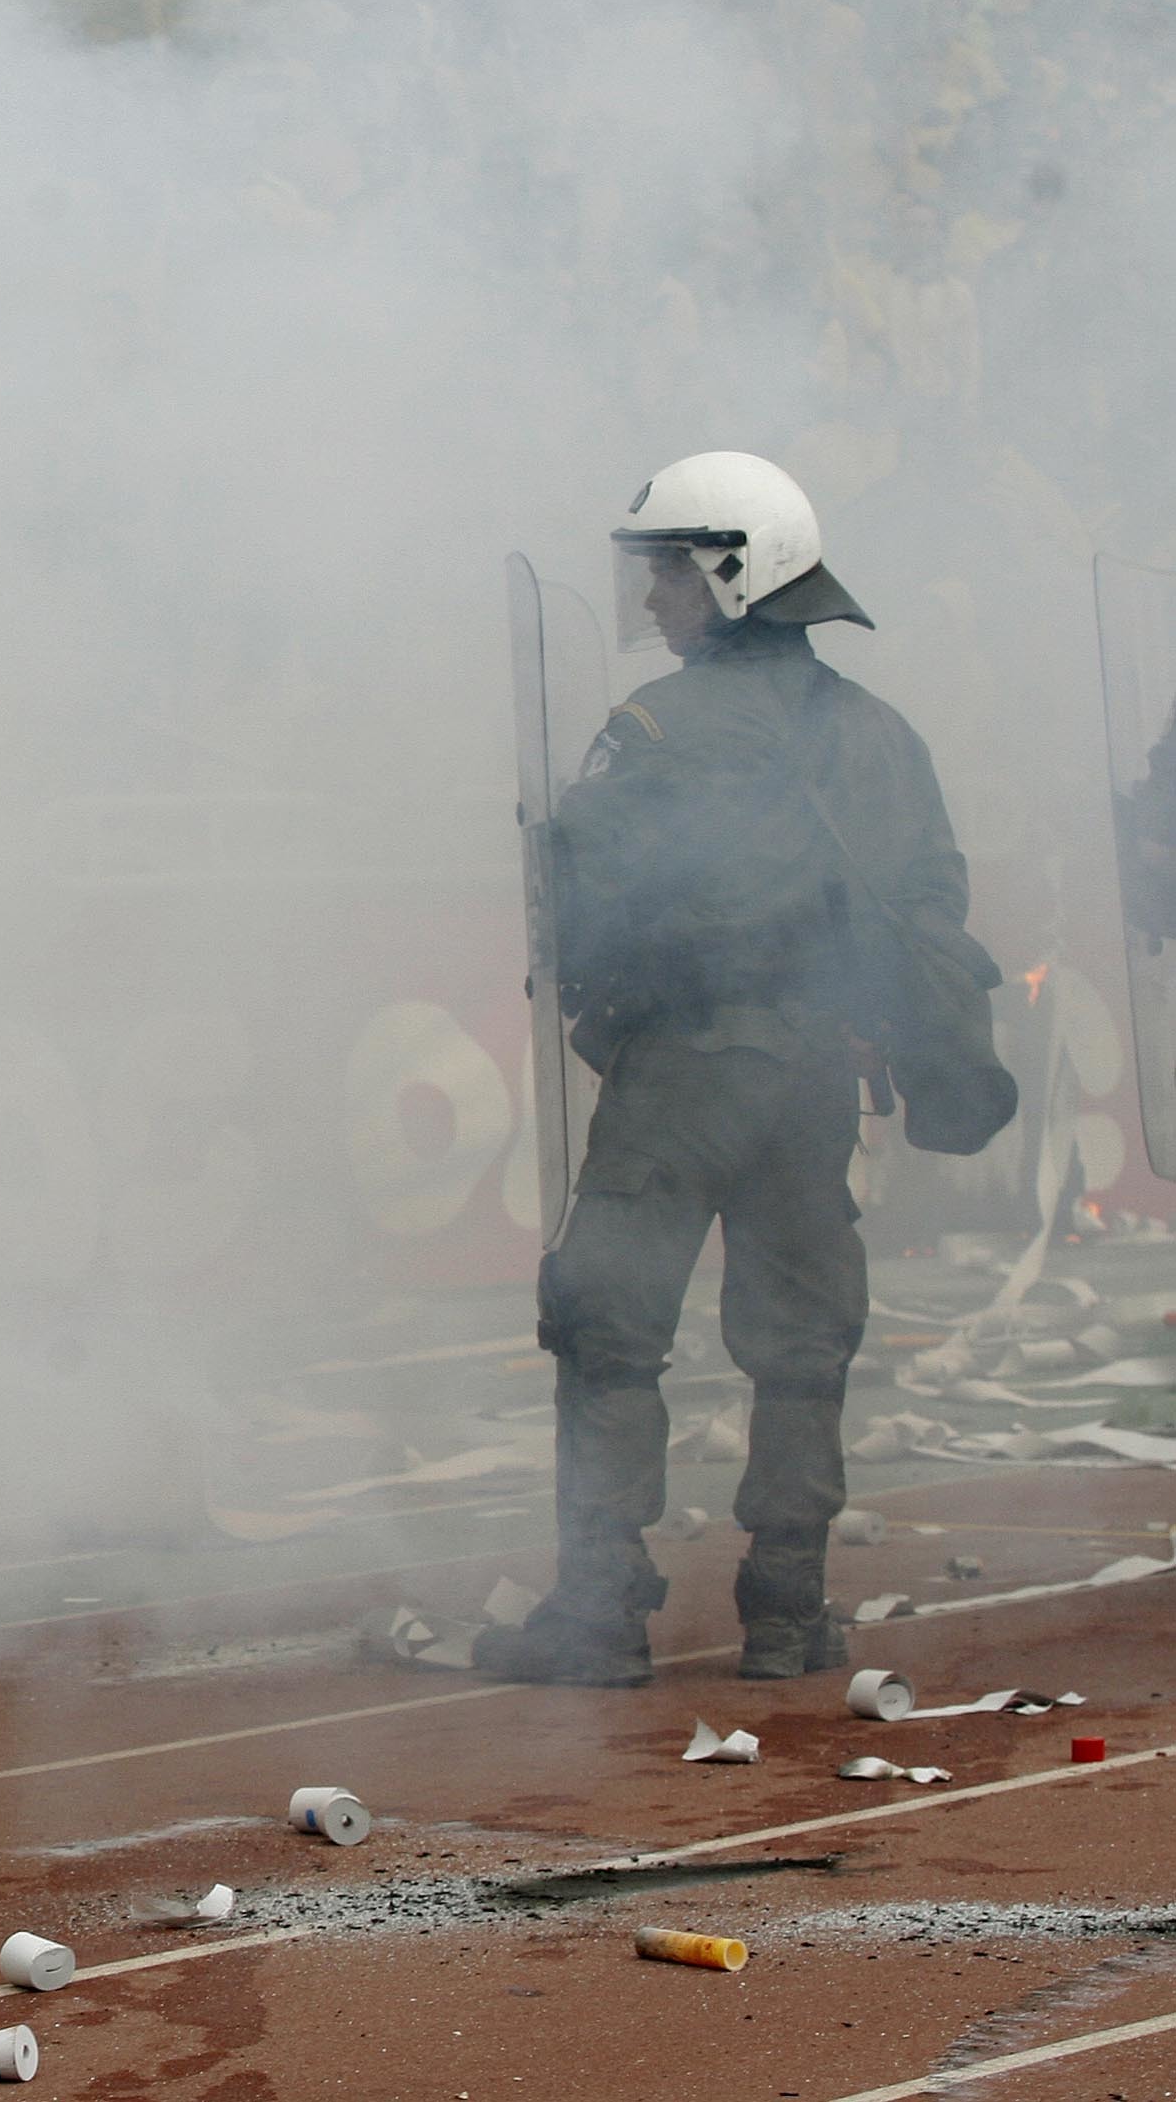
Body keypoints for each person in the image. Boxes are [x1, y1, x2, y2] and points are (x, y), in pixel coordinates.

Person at [479, 453, 1003, 1689]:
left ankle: (601, 1615)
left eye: (667, 570)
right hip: (818, 1071)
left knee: (607, 1323)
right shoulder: (883, 734)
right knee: (801, 1338)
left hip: (686, 1067)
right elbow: (933, 898)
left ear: (732, 571)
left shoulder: (656, 728)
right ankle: (786, 1610)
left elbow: (583, 896)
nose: (652, 599)